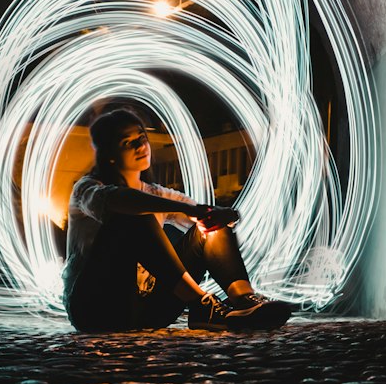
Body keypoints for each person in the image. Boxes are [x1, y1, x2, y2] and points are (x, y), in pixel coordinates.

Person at [62, 106, 294, 333]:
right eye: (127, 142)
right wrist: (187, 209)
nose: (141, 145)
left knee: (210, 224)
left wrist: (223, 215)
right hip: (95, 308)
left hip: (148, 310)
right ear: (109, 155)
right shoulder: (86, 189)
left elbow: (204, 213)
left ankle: (244, 299)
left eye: (142, 137)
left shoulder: (156, 193)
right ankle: (202, 305)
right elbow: (118, 201)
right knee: (134, 218)